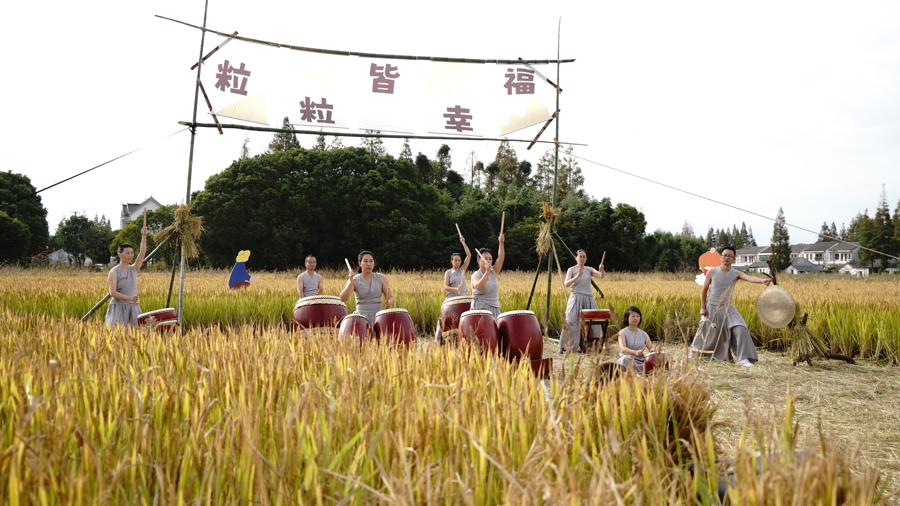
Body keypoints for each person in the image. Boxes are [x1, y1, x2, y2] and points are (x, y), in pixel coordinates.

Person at [689, 245, 771, 366]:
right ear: (721, 257)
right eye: (724, 255)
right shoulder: (712, 271)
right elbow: (704, 290)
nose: (726, 258)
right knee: (706, 328)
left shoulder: (736, 273)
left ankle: (743, 359)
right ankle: (694, 353)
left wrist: (762, 281)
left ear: (734, 259)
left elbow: (749, 277)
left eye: (729, 256)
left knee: (741, 328)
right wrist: (703, 307)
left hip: (728, 308)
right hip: (712, 306)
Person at [558, 249, 606, 353]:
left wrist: (601, 269)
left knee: (593, 323)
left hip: (588, 299)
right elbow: (566, 284)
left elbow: (601, 276)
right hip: (576, 298)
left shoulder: (589, 269)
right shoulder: (571, 269)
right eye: (580, 256)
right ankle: (564, 347)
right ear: (576, 258)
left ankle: (590, 347)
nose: (582, 258)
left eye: (584, 257)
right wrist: (577, 276)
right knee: (570, 320)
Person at [105, 226, 148, 327]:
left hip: (133, 307)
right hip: (118, 308)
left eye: (132, 253)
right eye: (127, 253)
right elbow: (112, 293)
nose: (130, 255)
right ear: (119, 254)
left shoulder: (134, 269)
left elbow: (142, 254)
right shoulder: (114, 272)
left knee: (136, 332)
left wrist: (144, 236)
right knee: (118, 333)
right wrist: (129, 298)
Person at [339, 250, 394, 327]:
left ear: (374, 263)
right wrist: (351, 281)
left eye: (371, 261)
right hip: (361, 317)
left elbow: (391, 297)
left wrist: (389, 302)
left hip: (378, 317)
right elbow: (343, 298)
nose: (369, 264)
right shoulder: (355, 279)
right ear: (360, 263)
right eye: (365, 261)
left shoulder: (382, 277)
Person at [435, 235, 472, 342]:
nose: (457, 262)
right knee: (442, 318)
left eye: (459, 260)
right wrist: (456, 289)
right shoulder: (448, 272)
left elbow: (469, 255)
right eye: (455, 260)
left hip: (464, 298)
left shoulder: (462, 270)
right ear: (451, 261)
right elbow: (445, 287)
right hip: (451, 299)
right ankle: (437, 339)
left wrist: (463, 243)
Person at [471, 233, 505, 318]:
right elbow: (479, 286)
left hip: (494, 308)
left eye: (490, 259)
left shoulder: (494, 271)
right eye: (485, 259)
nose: (488, 261)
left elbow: (500, 258)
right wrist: (487, 272)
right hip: (480, 309)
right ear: (478, 260)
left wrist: (501, 243)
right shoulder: (476, 275)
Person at [616, 306, 656, 371]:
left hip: (641, 360)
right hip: (628, 358)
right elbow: (623, 348)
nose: (636, 318)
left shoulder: (644, 333)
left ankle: (643, 371)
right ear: (627, 318)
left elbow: (651, 346)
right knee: (624, 359)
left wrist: (652, 350)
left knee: (653, 362)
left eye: (638, 316)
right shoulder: (622, 332)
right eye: (633, 316)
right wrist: (635, 352)